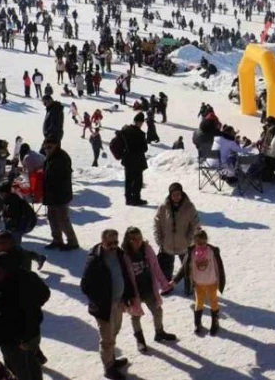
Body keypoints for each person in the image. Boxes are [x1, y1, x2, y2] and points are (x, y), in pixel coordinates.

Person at [81, 229, 137, 379]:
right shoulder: (95, 260)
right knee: (107, 339)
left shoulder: (118, 254)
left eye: (115, 242)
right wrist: (102, 301)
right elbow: (85, 286)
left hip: (118, 303)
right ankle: (108, 368)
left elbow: (125, 275)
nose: (113, 246)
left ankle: (111, 360)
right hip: (104, 307)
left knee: (114, 331)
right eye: (110, 243)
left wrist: (129, 295)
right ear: (102, 241)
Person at [0, 252, 50, 380]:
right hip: (8, 336)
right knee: (23, 366)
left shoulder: (25, 281)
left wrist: (24, 339)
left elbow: (41, 298)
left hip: (22, 338)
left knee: (24, 370)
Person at [121, 227, 177, 352]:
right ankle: (140, 340)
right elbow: (122, 277)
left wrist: (164, 284)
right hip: (134, 292)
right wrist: (124, 296)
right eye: (133, 239)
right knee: (135, 316)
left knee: (158, 310)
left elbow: (155, 267)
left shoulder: (146, 250)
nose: (137, 241)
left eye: (139, 238)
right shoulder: (124, 255)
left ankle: (159, 332)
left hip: (148, 288)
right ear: (128, 240)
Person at [171, 229, 226, 336]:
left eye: (204, 243)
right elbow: (184, 268)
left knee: (213, 301)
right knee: (199, 302)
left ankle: (215, 322)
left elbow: (219, 267)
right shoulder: (191, 252)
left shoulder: (212, 251)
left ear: (207, 241)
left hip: (211, 282)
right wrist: (175, 280)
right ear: (194, 242)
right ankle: (197, 323)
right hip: (198, 283)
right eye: (199, 243)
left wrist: (221, 280)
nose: (201, 245)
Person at [153, 182, 200, 285]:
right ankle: (166, 285)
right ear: (170, 195)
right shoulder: (163, 207)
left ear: (182, 193)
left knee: (188, 268)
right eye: (174, 194)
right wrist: (160, 240)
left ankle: (189, 286)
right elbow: (157, 224)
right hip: (167, 245)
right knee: (165, 269)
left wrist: (189, 240)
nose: (176, 197)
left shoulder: (189, 207)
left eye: (178, 194)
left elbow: (195, 224)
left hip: (184, 245)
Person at [42, 138, 78, 251]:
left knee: (62, 219)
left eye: (49, 147)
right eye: (45, 147)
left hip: (61, 193)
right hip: (51, 193)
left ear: (56, 146)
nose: (47, 149)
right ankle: (57, 240)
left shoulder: (61, 158)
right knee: (52, 217)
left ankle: (72, 242)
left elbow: (60, 177)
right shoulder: (51, 157)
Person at [118, 114, 150, 206]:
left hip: (127, 160)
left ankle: (128, 199)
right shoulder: (140, 134)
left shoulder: (125, 130)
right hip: (137, 161)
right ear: (140, 122)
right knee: (137, 180)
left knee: (128, 179)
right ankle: (136, 198)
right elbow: (144, 149)